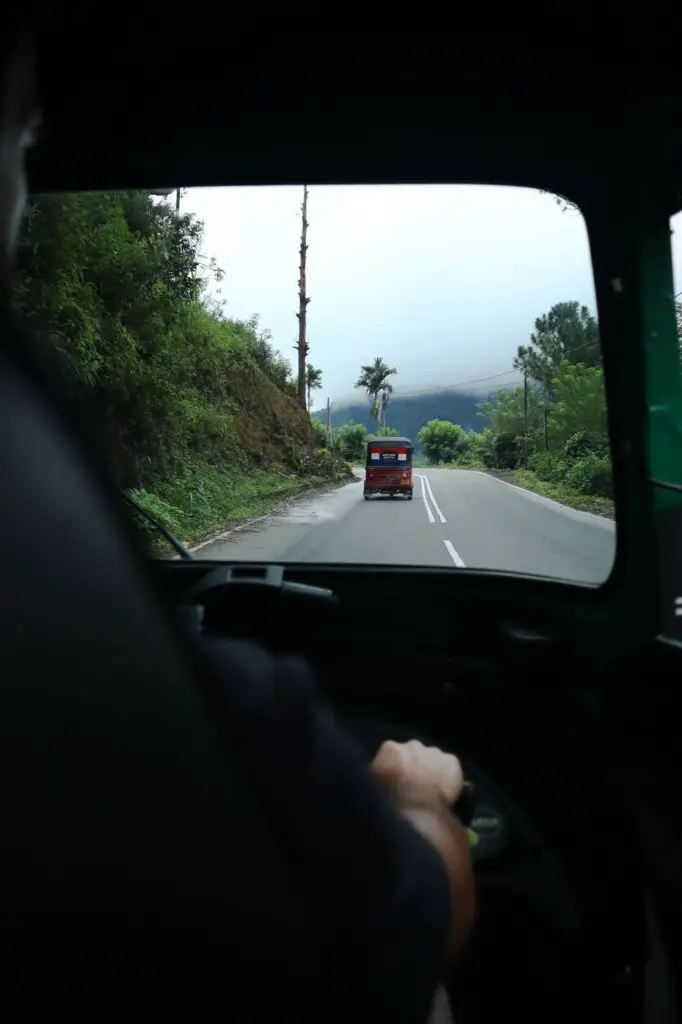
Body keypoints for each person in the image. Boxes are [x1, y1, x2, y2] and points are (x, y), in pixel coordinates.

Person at [0, 17, 475, 1024]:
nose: (387, 469)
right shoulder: (188, 701)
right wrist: (421, 802)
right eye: (28, 143)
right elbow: (424, 913)